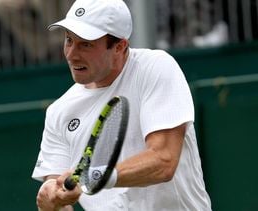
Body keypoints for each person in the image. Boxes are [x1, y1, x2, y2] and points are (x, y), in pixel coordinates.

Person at [31, 0, 212, 210]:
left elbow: (164, 161)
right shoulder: (58, 112)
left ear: (119, 46)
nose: (71, 54)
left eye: (85, 44)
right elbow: (60, 193)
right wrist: (51, 202)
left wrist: (97, 176)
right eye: (69, 40)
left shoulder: (155, 68)